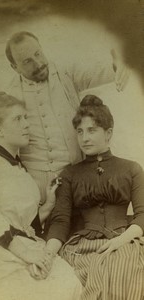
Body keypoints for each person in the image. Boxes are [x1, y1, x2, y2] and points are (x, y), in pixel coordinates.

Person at [0, 31, 129, 207]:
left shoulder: (65, 73)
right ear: (15, 67)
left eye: (38, 53)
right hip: (35, 187)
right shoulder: (9, 96)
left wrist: (119, 63)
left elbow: (99, 72)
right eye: (28, 61)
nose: (39, 63)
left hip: (76, 176)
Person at [0, 91, 82, 300]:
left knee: (67, 282)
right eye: (18, 119)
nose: (26, 124)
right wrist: (27, 254)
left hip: (17, 241)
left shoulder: (17, 166)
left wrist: (46, 206)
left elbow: (20, 220)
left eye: (26, 117)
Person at [43, 95, 144, 300]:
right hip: (82, 247)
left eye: (91, 130)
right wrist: (47, 254)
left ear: (108, 133)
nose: (84, 138)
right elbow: (61, 221)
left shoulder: (131, 168)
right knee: (85, 274)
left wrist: (119, 241)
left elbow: (143, 214)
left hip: (123, 242)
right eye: (80, 132)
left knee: (123, 266)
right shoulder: (69, 174)